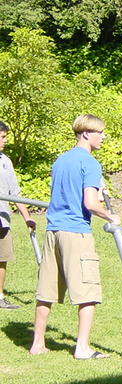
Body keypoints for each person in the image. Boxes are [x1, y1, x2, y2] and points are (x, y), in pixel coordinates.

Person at [29, 114, 121, 359]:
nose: (103, 137)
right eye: (100, 133)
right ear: (86, 134)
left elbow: (69, 193)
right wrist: (111, 217)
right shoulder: (90, 162)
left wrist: (98, 192)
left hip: (53, 231)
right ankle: (82, 348)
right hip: (76, 232)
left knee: (46, 291)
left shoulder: (61, 160)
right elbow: (90, 204)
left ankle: (37, 344)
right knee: (87, 292)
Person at [0, 120, 37, 309]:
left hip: (2, 219)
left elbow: (14, 192)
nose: (5, 141)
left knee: (2, 258)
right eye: (2, 137)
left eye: (5, 137)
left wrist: (27, 217)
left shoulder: (5, 161)